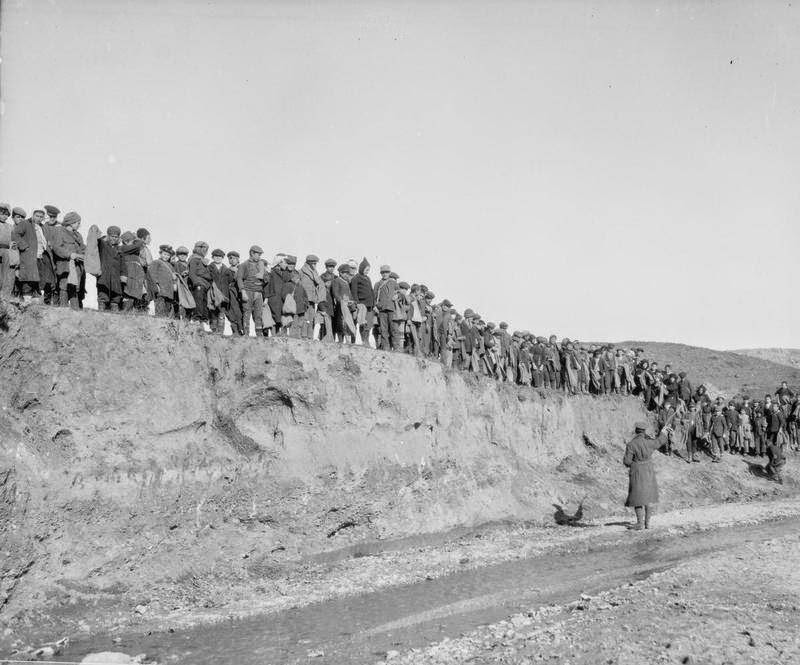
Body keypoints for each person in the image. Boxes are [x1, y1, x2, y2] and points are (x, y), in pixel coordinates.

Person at [623, 421, 671, 530]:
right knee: (648, 497)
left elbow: (626, 461)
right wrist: (663, 432)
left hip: (637, 472)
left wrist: (634, 464)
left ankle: (639, 524)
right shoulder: (649, 442)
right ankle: (647, 524)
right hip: (649, 470)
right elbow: (659, 441)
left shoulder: (631, 444)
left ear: (636, 431)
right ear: (644, 431)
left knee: (637, 497)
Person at [50, 211, 86, 309]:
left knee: (74, 288)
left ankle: (75, 311)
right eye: (78, 223)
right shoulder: (59, 231)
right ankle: (63, 310)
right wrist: (70, 255)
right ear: (71, 222)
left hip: (77, 266)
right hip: (64, 265)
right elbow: (57, 248)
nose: (79, 225)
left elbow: (83, 248)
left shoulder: (78, 235)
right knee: (64, 286)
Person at [10, 207, 40, 300]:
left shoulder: (27, 227)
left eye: (22, 217)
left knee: (23, 280)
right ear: (13, 218)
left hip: (23, 258)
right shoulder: (11, 228)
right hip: (12, 258)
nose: (20, 219)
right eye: (18, 217)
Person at [237, 245, 268, 336]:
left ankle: (259, 335)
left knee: (258, 314)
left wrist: (263, 276)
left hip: (258, 292)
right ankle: (246, 334)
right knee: (247, 313)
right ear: (252, 253)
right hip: (248, 291)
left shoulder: (261, 265)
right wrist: (243, 292)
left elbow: (267, 279)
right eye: (257, 254)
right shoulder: (244, 265)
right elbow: (239, 278)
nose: (259, 256)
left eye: (260, 254)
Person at [96, 225, 125, 311]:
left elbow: (123, 264)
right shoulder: (103, 245)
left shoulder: (119, 249)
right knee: (103, 295)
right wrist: (103, 238)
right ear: (108, 236)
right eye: (112, 236)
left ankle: (114, 312)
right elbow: (96, 240)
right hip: (104, 275)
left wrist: (123, 275)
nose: (114, 239)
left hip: (116, 276)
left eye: (116, 237)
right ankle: (101, 311)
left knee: (115, 297)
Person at [350, 257, 375, 347]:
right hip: (362, 305)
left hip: (370, 305)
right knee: (362, 322)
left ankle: (367, 341)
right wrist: (357, 303)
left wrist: (374, 303)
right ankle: (363, 341)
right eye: (366, 269)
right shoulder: (356, 278)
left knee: (369, 324)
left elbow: (371, 291)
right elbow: (354, 291)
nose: (367, 271)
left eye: (368, 270)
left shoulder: (368, 278)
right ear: (361, 268)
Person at [374, 265, 399, 351]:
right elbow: (374, 297)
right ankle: (386, 348)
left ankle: (396, 348)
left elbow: (400, 294)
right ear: (381, 273)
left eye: (387, 272)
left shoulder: (394, 283)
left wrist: (397, 296)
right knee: (383, 330)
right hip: (381, 309)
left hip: (392, 309)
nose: (385, 274)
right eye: (383, 272)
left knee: (393, 329)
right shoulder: (377, 284)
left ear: (389, 273)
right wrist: (375, 307)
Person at [148, 244, 177, 318]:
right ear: (160, 253)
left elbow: (174, 277)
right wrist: (156, 285)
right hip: (160, 290)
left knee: (167, 309)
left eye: (168, 255)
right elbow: (152, 274)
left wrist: (174, 284)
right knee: (160, 308)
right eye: (164, 254)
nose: (166, 256)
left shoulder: (170, 266)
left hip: (169, 291)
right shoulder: (156, 262)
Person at [299, 254, 323, 340]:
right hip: (305, 298)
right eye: (313, 263)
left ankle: (310, 335)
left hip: (312, 298)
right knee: (305, 318)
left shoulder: (315, 273)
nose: (315, 265)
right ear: (308, 263)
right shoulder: (302, 271)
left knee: (311, 318)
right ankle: (304, 335)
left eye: (315, 263)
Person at [188, 241, 212, 324]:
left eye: (206, 249)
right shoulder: (194, 259)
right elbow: (192, 273)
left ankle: (204, 320)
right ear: (198, 248)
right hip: (199, 284)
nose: (205, 251)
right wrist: (197, 283)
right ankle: (197, 318)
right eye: (203, 248)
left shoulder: (202, 260)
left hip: (205, 285)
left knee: (204, 302)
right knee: (198, 301)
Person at [225, 251, 244, 335]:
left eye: (234, 258)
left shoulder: (242, 268)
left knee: (242, 311)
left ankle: (243, 330)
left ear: (238, 259)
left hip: (241, 292)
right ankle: (236, 331)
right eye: (230, 258)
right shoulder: (227, 270)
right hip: (231, 292)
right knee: (232, 312)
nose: (232, 260)